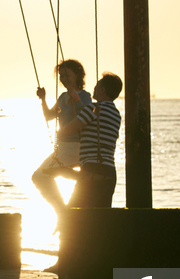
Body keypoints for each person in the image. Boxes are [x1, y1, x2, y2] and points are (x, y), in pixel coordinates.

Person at [47, 71, 123, 208]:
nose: (94, 88)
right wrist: (77, 100)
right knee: (100, 218)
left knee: (74, 216)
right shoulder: (115, 114)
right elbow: (89, 116)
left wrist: (62, 127)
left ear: (102, 89)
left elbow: (68, 129)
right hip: (110, 172)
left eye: (97, 85)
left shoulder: (94, 108)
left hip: (92, 168)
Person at [31, 59, 93, 213]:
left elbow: (86, 116)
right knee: (37, 177)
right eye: (61, 76)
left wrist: (75, 98)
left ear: (78, 75)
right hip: (62, 148)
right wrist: (43, 99)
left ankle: (63, 209)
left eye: (67, 75)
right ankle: (62, 209)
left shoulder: (85, 96)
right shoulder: (62, 97)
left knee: (42, 175)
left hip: (76, 146)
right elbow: (49, 116)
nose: (64, 79)